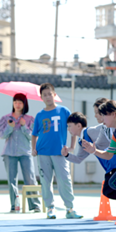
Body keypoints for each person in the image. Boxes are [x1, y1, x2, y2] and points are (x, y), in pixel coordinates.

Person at [32, 83, 82, 219]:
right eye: (44, 95)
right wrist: (33, 149)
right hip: (43, 153)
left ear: (54, 95)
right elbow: (34, 134)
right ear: (41, 97)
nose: (48, 97)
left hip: (60, 153)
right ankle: (50, 208)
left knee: (64, 179)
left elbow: (72, 130)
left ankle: (70, 208)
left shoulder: (64, 111)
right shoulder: (39, 115)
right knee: (45, 181)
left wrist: (72, 147)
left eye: (50, 94)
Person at [62, 110, 116, 205]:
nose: (68, 129)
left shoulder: (91, 131)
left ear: (78, 126)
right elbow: (79, 159)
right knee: (111, 190)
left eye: (70, 126)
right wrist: (67, 155)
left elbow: (106, 128)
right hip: (109, 166)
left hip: (115, 162)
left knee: (109, 190)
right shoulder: (81, 141)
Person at [0, 93, 41, 212]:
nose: (17, 104)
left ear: (24, 104)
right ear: (13, 103)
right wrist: (9, 127)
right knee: (12, 180)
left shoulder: (30, 119)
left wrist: (24, 126)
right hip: (9, 153)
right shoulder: (5, 118)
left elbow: (33, 135)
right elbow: (0, 135)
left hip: (25, 152)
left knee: (30, 178)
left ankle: (35, 204)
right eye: (15, 101)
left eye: (20, 102)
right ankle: (15, 205)